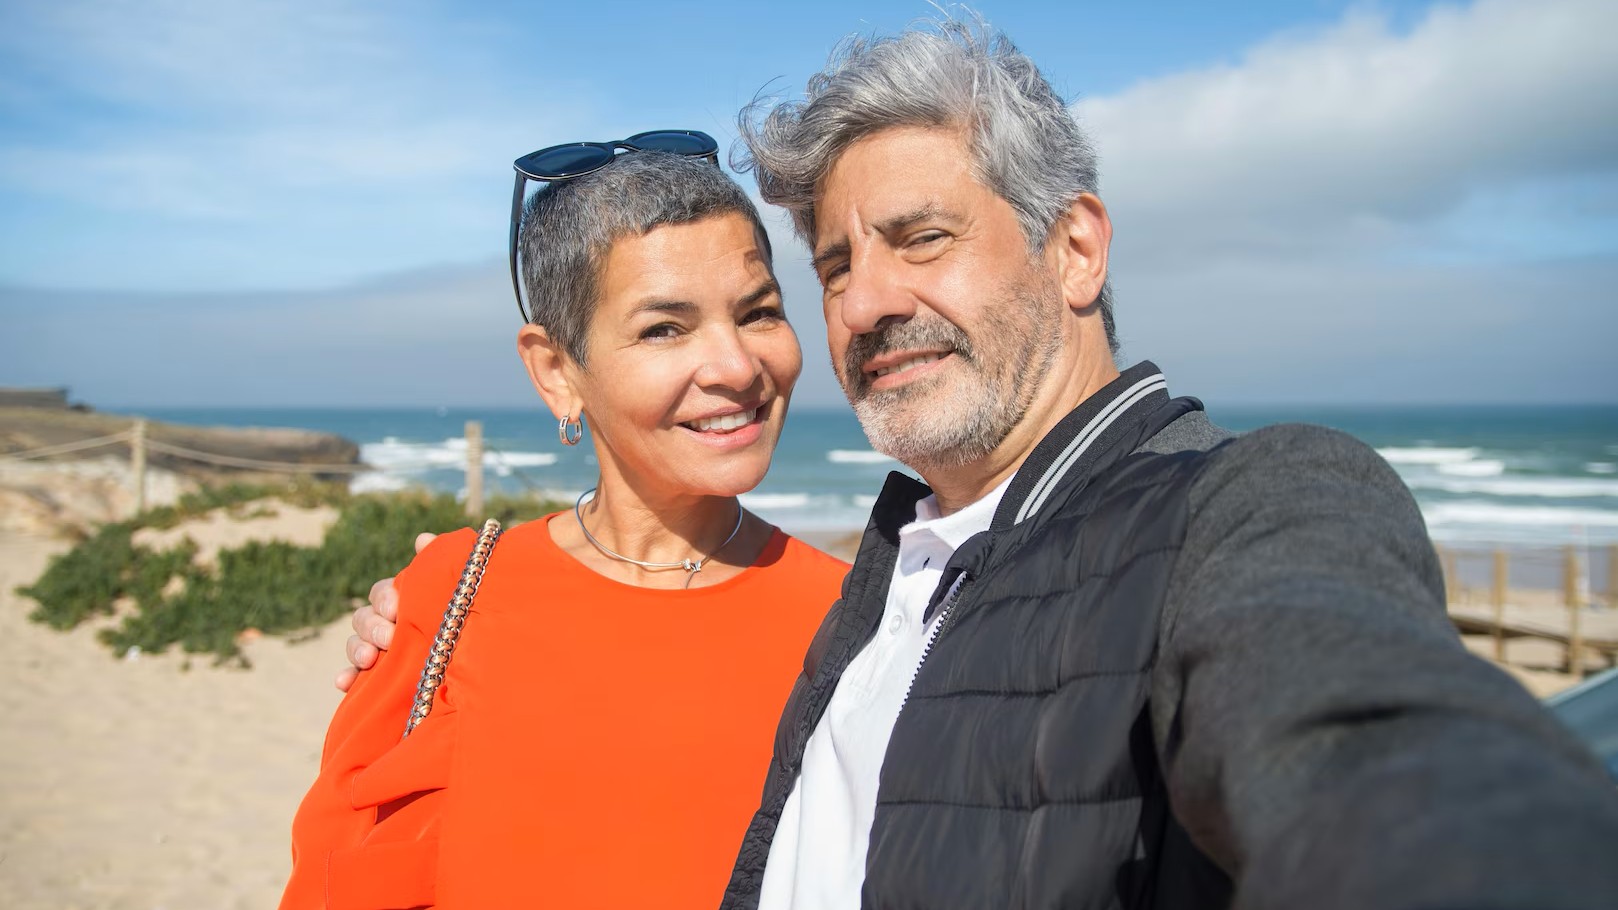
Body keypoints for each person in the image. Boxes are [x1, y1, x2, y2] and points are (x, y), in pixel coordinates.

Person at [345, 19, 1618, 910]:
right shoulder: (886, 583)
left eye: (922, 237)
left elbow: (1349, 724)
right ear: (554, 370)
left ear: (1074, 250)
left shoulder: (1243, 505)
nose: (868, 302)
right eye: (836, 266)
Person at [281, 147, 850, 908]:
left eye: (759, 313)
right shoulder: (452, 592)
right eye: (663, 329)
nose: (737, 366)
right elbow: (342, 871)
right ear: (556, 372)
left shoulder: (855, 619)